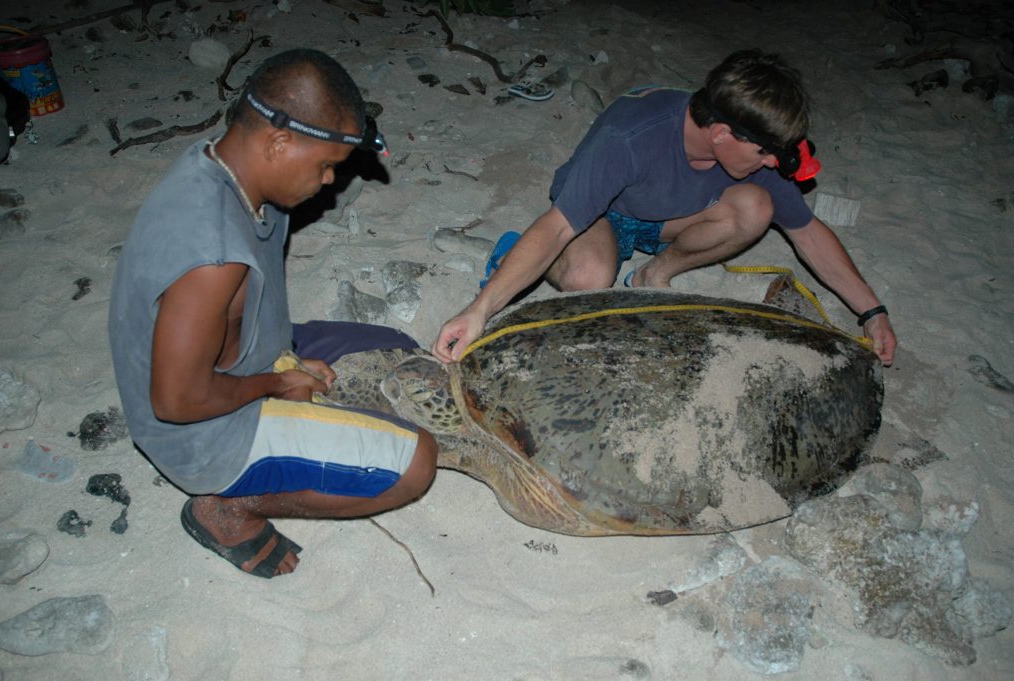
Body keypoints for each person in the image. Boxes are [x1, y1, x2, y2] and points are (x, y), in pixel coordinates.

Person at [108, 49, 437, 579]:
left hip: (241, 355)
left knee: (393, 346)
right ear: (279, 143)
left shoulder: (228, 165)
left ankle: (288, 386)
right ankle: (230, 507)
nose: (329, 180)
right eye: (326, 165)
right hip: (204, 434)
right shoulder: (212, 255)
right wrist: (274, 384)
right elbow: (174, 400)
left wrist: (283, 361)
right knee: (416, 462)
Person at [433, 49, 897, 367]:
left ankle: (654, 275)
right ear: (721, 135)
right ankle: (512, 254)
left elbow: (808, 233)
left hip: (673, 218)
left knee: (756, 208)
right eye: (764, 153)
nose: (773, 162)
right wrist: (479, 310)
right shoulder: (631, 138)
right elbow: (557, 226)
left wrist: (872, 312)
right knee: (588, 279)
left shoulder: (755, 152)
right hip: (604, 212)